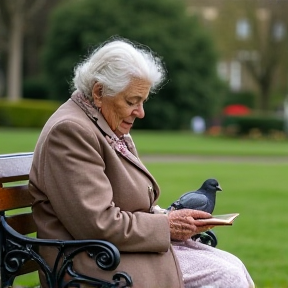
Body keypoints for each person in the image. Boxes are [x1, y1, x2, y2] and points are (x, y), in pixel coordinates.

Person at [29, 37, 255, 288]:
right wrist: (166, 225)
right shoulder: (71, 131)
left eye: (142, 101)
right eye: (131, 101)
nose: (141, 112)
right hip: (92, 263)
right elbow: (98, 224)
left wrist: (168, 217)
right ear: (99, 92)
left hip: (119, 251)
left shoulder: (103, 124)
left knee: (233, 266)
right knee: (225, 276)